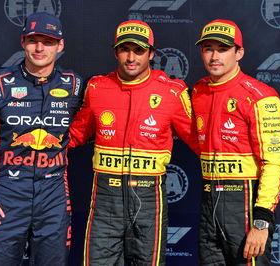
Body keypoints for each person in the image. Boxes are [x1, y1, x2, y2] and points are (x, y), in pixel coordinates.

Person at [0, 12, 83, 265]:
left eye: (48, 41)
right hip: (7, 197)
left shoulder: (74, 86)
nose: (39, 48)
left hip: (54, 199)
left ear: (60, 45)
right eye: (33, 40)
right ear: (23, 42)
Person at [68, 20, 199, 265]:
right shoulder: (97, 87)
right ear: (115, 51)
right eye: (125, 49)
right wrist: (36, 142)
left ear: (151, 54)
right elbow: (76, 135)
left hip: (148, 199)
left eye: (139, 50)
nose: (131, 57)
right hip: (105, 198)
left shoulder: (172, 92)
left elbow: (199, 141)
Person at [191, 19, 280, 265]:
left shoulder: (261, 97)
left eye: (222, 49)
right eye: (208, 48)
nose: (214, 56)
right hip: (208, 203)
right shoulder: (198, 92)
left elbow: (274, 163)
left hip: (245, 205)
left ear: (239, 52)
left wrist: (262, 222)